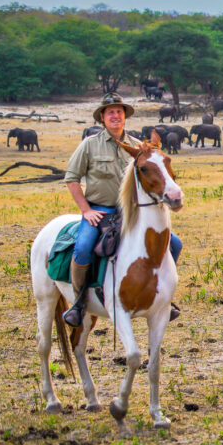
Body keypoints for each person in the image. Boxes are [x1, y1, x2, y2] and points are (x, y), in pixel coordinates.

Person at [61, 93, 182, 327]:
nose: (115, 116)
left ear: (124, 116)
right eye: (110, 113)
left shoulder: (139, 147)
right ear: (102, 118)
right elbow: (72, 178)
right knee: (84, 247)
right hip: (99, 209)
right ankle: (78, 303)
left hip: (132, 211)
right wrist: (86, 210)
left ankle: (163, 297)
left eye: (119, 112)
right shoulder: (89, 145)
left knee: (174, 243)